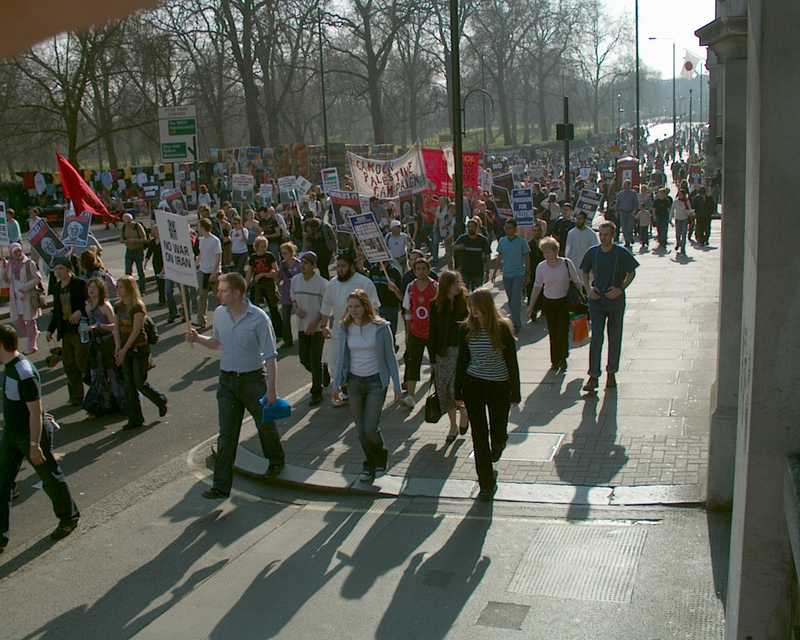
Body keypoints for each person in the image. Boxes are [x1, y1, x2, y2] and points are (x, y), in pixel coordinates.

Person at [186, 273, 286, 498]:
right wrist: (197, 338)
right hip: (227, 381)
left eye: (223, 290)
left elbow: (270, 356)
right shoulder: (220, 314)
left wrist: (272, 390)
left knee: (265, 425)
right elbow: (216, 342)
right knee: (227, 434)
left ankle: (276, 460)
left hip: (253, 380)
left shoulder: (259, 318)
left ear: (238, 293)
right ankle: (220, 486)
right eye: (218, 289)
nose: (217, 293)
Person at [0, 324, 80, 552]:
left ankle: (68, 518)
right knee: (2, 483)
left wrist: (35, 445)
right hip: (12, 434)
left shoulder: (24, 372)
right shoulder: (9, 367)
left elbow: (36, 411)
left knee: (50, 477)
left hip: (30, 435)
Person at [454, 289, 520, 502]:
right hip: (474, 385)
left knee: (498, 430)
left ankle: (499, 444)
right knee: (478, 436)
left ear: (485, 306)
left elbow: (512, 362)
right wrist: (457, 390)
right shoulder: (466, 329)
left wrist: (515, 392)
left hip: (499, 386)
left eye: (476, 306)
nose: (473, 311)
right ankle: (486, 483)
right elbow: (462, 361)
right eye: (470, 307)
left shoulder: (502, 328)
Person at [332, 289, 401, 482]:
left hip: (375, 383)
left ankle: (381, 458)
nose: (353, 310)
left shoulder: (380, 327)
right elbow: (340, 359)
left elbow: (391, 358)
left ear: (365, 306)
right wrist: (336, 385)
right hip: (354, 382)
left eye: (357, 306)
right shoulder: (344, 327)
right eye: (350, 307)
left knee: (370, 427)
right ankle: (370, 464)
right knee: (360, 429)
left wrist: (397, 386)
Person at [580, 221, 640, 391]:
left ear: (613, 235)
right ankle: (593, 375)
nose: (603, 237)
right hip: (596, 301)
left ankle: (611, 373)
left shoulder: (621, 253)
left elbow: (632, 272)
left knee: (615, 337)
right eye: (601, 234)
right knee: (596, 337)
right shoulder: (593, 252)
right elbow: (584, 271)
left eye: (606, 234)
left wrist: (620, 288)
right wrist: (588, 289)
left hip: (615, 301)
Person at [320, 250, 380, 407]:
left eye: (343, 266)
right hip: (339, 330)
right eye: (338, 266)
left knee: (355, 363)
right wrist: (324, 325)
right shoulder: (332, 283)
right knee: (335, 362)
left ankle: (356, 391)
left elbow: (374, 307)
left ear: (352, 266)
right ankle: (341, 389)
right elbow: (326, 305)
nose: (339, 269)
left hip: (361, 330)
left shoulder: (364, 282)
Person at [113, 276, 167, 430]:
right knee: (128, 384)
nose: (117, 289)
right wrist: (118, 347)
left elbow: (136, 331)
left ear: (129, 289)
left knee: (139, 382)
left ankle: (160, 400)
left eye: (120, 287)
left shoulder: (138, 307)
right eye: (117, 286)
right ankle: (135, 418)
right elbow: (115, 328)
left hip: (138, 349)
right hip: (124, 348)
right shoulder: (118, 306)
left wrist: (123, 350)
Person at [528, 237, 583, 372]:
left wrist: (580, 300)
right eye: (544, 252)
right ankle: (554, 360)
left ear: (555, 250)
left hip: (564, 302)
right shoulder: (541, 267)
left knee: (562, 331)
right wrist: (531, 306)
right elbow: (537, 287)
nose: (546, 255)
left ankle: (563, 358)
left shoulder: (566, 263)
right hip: (549, 302)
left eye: (548, 251)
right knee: (553, 332)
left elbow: (577, 282)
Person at [428, 270, 469, 444]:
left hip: (460, 352)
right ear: (446, 286)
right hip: (442, 352)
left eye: (458, 283)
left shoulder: (465, 303)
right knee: (444, 391)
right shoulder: (436, 305)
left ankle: (464, 413)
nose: (457, 287)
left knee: (455, 389)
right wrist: (432, 358)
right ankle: (452, 425)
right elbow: (432, 333)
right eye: (454, 284)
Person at [47, 258, 89, 406]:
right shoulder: (57, 287)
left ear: (68, 269)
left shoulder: (79, 284)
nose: (58, 272)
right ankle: (76, 397)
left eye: (61, 268)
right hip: (65, 330)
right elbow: (56, 311)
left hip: (80, 329)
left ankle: (99, 390)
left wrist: (80, 312)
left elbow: (90, 302)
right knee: (69, 364)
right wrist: (50, 330)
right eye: (56, 269)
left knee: (82, 362)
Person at [82, 278, 124, 417]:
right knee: (96, 375)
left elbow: (114, 325)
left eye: (94, 287)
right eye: (89, 287)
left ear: (100, 290)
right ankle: (101, 405)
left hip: (107, 343)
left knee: (113, 374)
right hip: (95, 344)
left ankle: (122, 404)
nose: (91, 290)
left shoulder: (105, 306)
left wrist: (100, 326)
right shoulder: (88, 306)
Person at [291, 252, 328, 406]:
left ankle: (316, 391)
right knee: (304, 359)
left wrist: (316, 322)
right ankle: (322, 371)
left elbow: (326, 307)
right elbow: (292, 299)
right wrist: (296, 308)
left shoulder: (322, 283)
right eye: (302, 262)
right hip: (301, 326)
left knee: (314, 358)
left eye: (306, 263)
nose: (303, 265)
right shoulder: (295, 280)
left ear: (314, 266)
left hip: (317, 328)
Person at [0, 243, 42, 355]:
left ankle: (32, 345)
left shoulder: (29, 263)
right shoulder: (10, 264)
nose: (18, 253)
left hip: (27, 296)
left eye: (19, 250)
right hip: (16, 299)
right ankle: (32, 333)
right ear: (11, 253)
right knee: (16, 321)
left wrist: (25, 287)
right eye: (15, 252)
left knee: (30, 322)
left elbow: (38, 278)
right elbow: (7, 280)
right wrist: (3, 266)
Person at [495, 218, 530, 333]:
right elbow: (499, 257)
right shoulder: (502, 241)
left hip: (518, 274)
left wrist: (527, 273)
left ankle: (516, 323)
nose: (507, 230)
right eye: (505, 228)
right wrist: (495, 271)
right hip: (506, 274)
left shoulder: (522, 241)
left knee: (515, 300)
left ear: (515, 229)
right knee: (511, 300)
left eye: (509, 228)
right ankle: (514, 319)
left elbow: (526, 257)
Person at [246, 236, 283, 337]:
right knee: (256, 309)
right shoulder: (253, 258)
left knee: (273, 308)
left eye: (265, 246)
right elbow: (249, 273)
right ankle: (258, 332)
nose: (264, 248)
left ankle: (279, 332)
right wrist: (246, 286)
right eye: (262, 246)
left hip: (269, 284)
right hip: (257, 285)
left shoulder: (270, 256)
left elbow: (276, 271)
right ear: (256, 247)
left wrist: (263, 275)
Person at [367, 260, 403, 351]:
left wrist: (395, 289)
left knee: (390, 334)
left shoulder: (395, 271)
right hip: (376, 308)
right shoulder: (373, 269)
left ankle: (391, 350)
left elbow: (401, 296)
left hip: (390, 307)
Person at [196, 218, 221, 331]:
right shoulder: (201, 240)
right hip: (203, 271)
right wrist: (195, 264)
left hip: (213, 272)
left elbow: (218, 257)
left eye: (198, 226)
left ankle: (222, 319)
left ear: (203, 227)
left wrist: (214, 272)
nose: (197, 228)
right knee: (202, 296)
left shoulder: (215, 240)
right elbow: (201, 255)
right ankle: (201, 321)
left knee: (218, 297)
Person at [453, 217, 491, 291]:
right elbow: (453, 248)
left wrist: (487, 271)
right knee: (464, 292)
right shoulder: (462, 238)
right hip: (464, 270)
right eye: (469, 227)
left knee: (477, 292)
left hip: (478, 271)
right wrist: (458, 247)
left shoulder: (483, 240)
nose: (470, 228)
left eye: (472, 227)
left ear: (477, 228)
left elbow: (487, 255)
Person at [277, 242, 302, 348]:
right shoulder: (282, 264)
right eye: (282, 253)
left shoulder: (299, 264)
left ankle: (304, 339)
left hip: (298, 294)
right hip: (286, 293)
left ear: (292, 253)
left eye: (285, 253)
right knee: (285, 319)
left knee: (301, 318)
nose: (283, 255)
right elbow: (279, 278)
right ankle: (288, 341)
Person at [120, 213, 148, 293]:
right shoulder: (124, 227)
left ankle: (142, 290)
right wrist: (125, 241)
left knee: (140, 271)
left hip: (138, 250)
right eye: (125, 221)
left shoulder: (137, 226)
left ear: (132, 220)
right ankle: (130, 290)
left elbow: (144, 238)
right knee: (128, 271)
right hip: (129, 250)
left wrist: (134, 240)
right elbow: (121, 239)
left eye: (129, 221)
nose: (128, 223)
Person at [144, 224, 166, 305]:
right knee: (159, 282)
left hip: (165, 264)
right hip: (156, 264)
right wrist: (146, 262)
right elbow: (149, 252)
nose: (152, 232)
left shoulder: (164, 241)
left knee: (166, 283)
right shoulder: (152, 242)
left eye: (154, 230)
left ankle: (169, 298)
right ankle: (162, 300)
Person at [614, 180, 639, 249]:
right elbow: (617, 203)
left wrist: (634, 211)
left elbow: (636, 203)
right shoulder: (620, 194)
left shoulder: (633, 193)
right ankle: (627, 241)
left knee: (629, 228)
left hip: (630, 212)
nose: (625, 186)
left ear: (629, 185)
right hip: (622, 212)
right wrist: (616, 211)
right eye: (624, 185)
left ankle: (630, 237)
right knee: (624, 228)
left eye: (627, 185)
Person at [671, 190, 694, 255]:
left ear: (684, 195)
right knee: (678, 234)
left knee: (684, 235)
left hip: (684, 219)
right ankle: (678, 243)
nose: (680, 195)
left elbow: (690, 209)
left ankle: (683, 248)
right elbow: (672, 210)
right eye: (679, 194)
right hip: (677, 219)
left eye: (681, 194)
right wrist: (670, 219)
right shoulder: (675, 201)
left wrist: (690, 213)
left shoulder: (687, 201)